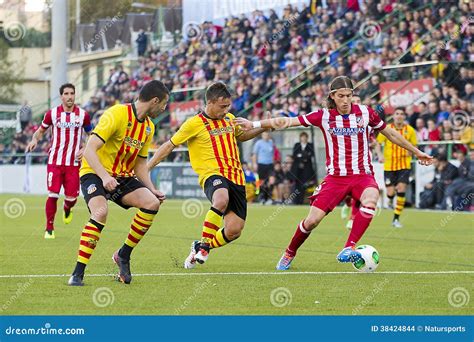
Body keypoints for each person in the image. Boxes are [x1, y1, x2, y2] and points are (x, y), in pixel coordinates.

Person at [235, 76, 433, 270]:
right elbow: (288, 121)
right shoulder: (323, 116)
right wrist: (254, 124)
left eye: (349, 95)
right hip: (335, 178)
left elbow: (390, 133)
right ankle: (289, 252)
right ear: (332, 96)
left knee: (372, 199)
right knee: (312, 221)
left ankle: (348, 248)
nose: (346, 100)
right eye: (341, 96)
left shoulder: (366, 113)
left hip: (362, 175)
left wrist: (417, 152)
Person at [147, 82, 268, 269]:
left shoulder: (229, 119)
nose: (226, 109)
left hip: (236, 177)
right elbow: (169, 145)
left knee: (235, 230)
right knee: (220, 199)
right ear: (210, 102)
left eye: (228, 106)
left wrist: (264, 127)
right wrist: (147, 168)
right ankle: (204, 248)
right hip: (212, 174)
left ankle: (199, 245)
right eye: (222, 106)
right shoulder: (194, 123)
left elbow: (242, 136)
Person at [67, 80, 170, 286]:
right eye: (164, 104)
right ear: (155, 100)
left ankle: (123, 255)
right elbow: (89, 150)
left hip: (122, 176)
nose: (164, 109)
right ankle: (77, 273)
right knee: (100, 213)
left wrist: (152, 189)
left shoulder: (149, 127)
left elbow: (140, 164)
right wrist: (105, 177)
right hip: (95, 171)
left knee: (152, 203)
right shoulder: (117, 113)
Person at [26, 84, 92, 239]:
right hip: (55, 162)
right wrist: (34, 139)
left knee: (72, 198)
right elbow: (40, 131)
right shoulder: (52, 114)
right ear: (61, 96)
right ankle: (49, 228)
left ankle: (67, 208)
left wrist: (84, 149)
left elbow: (92, 134)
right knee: (53, 194)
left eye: (72, 93)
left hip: (74, 164)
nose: (69, 96)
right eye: (66, 93)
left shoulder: (83, 115)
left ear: (75, 95)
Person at [375, 107, 417, 228]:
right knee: (390, 192)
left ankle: (396, 219)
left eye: (402, 114)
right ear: (393, 116)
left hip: (404, 165)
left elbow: (414, 145)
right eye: (397, 114)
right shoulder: (387, 128)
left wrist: (412, 152)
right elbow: (378, 143)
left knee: (401, 188)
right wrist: (380, 154)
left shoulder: (410, 130)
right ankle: (389, 199)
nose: (399, 116)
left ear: (404, 116)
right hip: (389, 165)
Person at [291, 131, 315, 204]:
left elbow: (311, 155)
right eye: (302, 137)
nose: (304, 138)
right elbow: (295, 155)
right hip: (298, 170)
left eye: (305, 137)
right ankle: (296, 201)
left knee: (304, 185)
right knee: (297, 185)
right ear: (300, 138)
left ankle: (302, 201)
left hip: (307, 170)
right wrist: (304, 156)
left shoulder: (310, 145)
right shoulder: (297, 145)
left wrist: (301, 155)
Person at [252, 131, 274, 203]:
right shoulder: (259, 143)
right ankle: (262, 197)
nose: (266, 136)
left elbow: (272, 153)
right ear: (262, 135)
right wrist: (255, 164)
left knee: (271, 181)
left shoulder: (271, 142)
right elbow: (254, 154)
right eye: (264, 134)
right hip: (261, 164)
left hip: (270, 164)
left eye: (267, 134)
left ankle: (269, 198)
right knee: (262, 182)